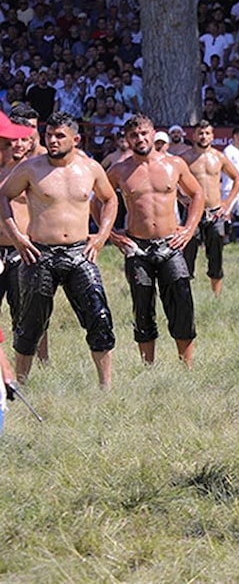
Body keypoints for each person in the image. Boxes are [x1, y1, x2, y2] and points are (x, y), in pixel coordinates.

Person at [0, 112, 117, 388]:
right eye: (50, 134)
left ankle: (106, 387)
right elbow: (3, 195)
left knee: (99, 317)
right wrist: (17, 236)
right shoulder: (31, 168)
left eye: (59, 136)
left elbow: (110, 199)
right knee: (29, 323)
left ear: (75, 139)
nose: (52, 140)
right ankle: (22, 385)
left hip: (79, 253)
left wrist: (101, 237)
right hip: (40, 253)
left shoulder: (90, 168)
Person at [106, 116, 204, 367]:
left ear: (153, 134)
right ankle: (148, 366)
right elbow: (99, 199)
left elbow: (197, 194)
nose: (140, 139)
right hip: (137, 246)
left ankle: (187, 366)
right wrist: (111, 234)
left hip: (170, 243)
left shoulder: (174, 164)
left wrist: (189, 229)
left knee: (182, 301)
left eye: (144, 133)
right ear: (127, 140)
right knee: (142, 305)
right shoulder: (120, 170)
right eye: (134, 135)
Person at [0, 110, 48, 363]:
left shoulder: (33, 170)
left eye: (22, 140)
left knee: (29, 313)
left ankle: (39, 363)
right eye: (11, 141)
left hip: (23, 251)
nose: (17, 145)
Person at [179, 121, 239, 296]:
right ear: (194, 136)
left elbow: (238, 179)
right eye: (200, 133)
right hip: (193, 212)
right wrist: (180, 197)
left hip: (215, 212)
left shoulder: (219, 157)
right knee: (188, 252)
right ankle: (186, 293)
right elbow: (171, 181)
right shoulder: (185, 158)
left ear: (212, 136)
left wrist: (227, 203)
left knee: (216, 255)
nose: (204, 136)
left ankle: (216, 296)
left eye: (207, 133)